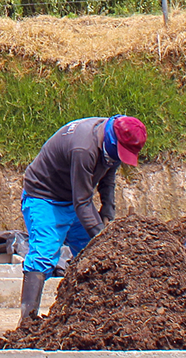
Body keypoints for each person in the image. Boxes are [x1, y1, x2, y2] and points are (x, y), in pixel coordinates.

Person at [18, 114, 147, 322]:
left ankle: (93, 316)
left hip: (74, 197)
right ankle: (26, 321)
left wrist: (108, 211)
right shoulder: (84, 148)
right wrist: (104, 237)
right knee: (44, 253)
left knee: (92, 253)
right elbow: (82, 202)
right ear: (112, 141)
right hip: (44, 197)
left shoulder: (111, 136)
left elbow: (108, 175)